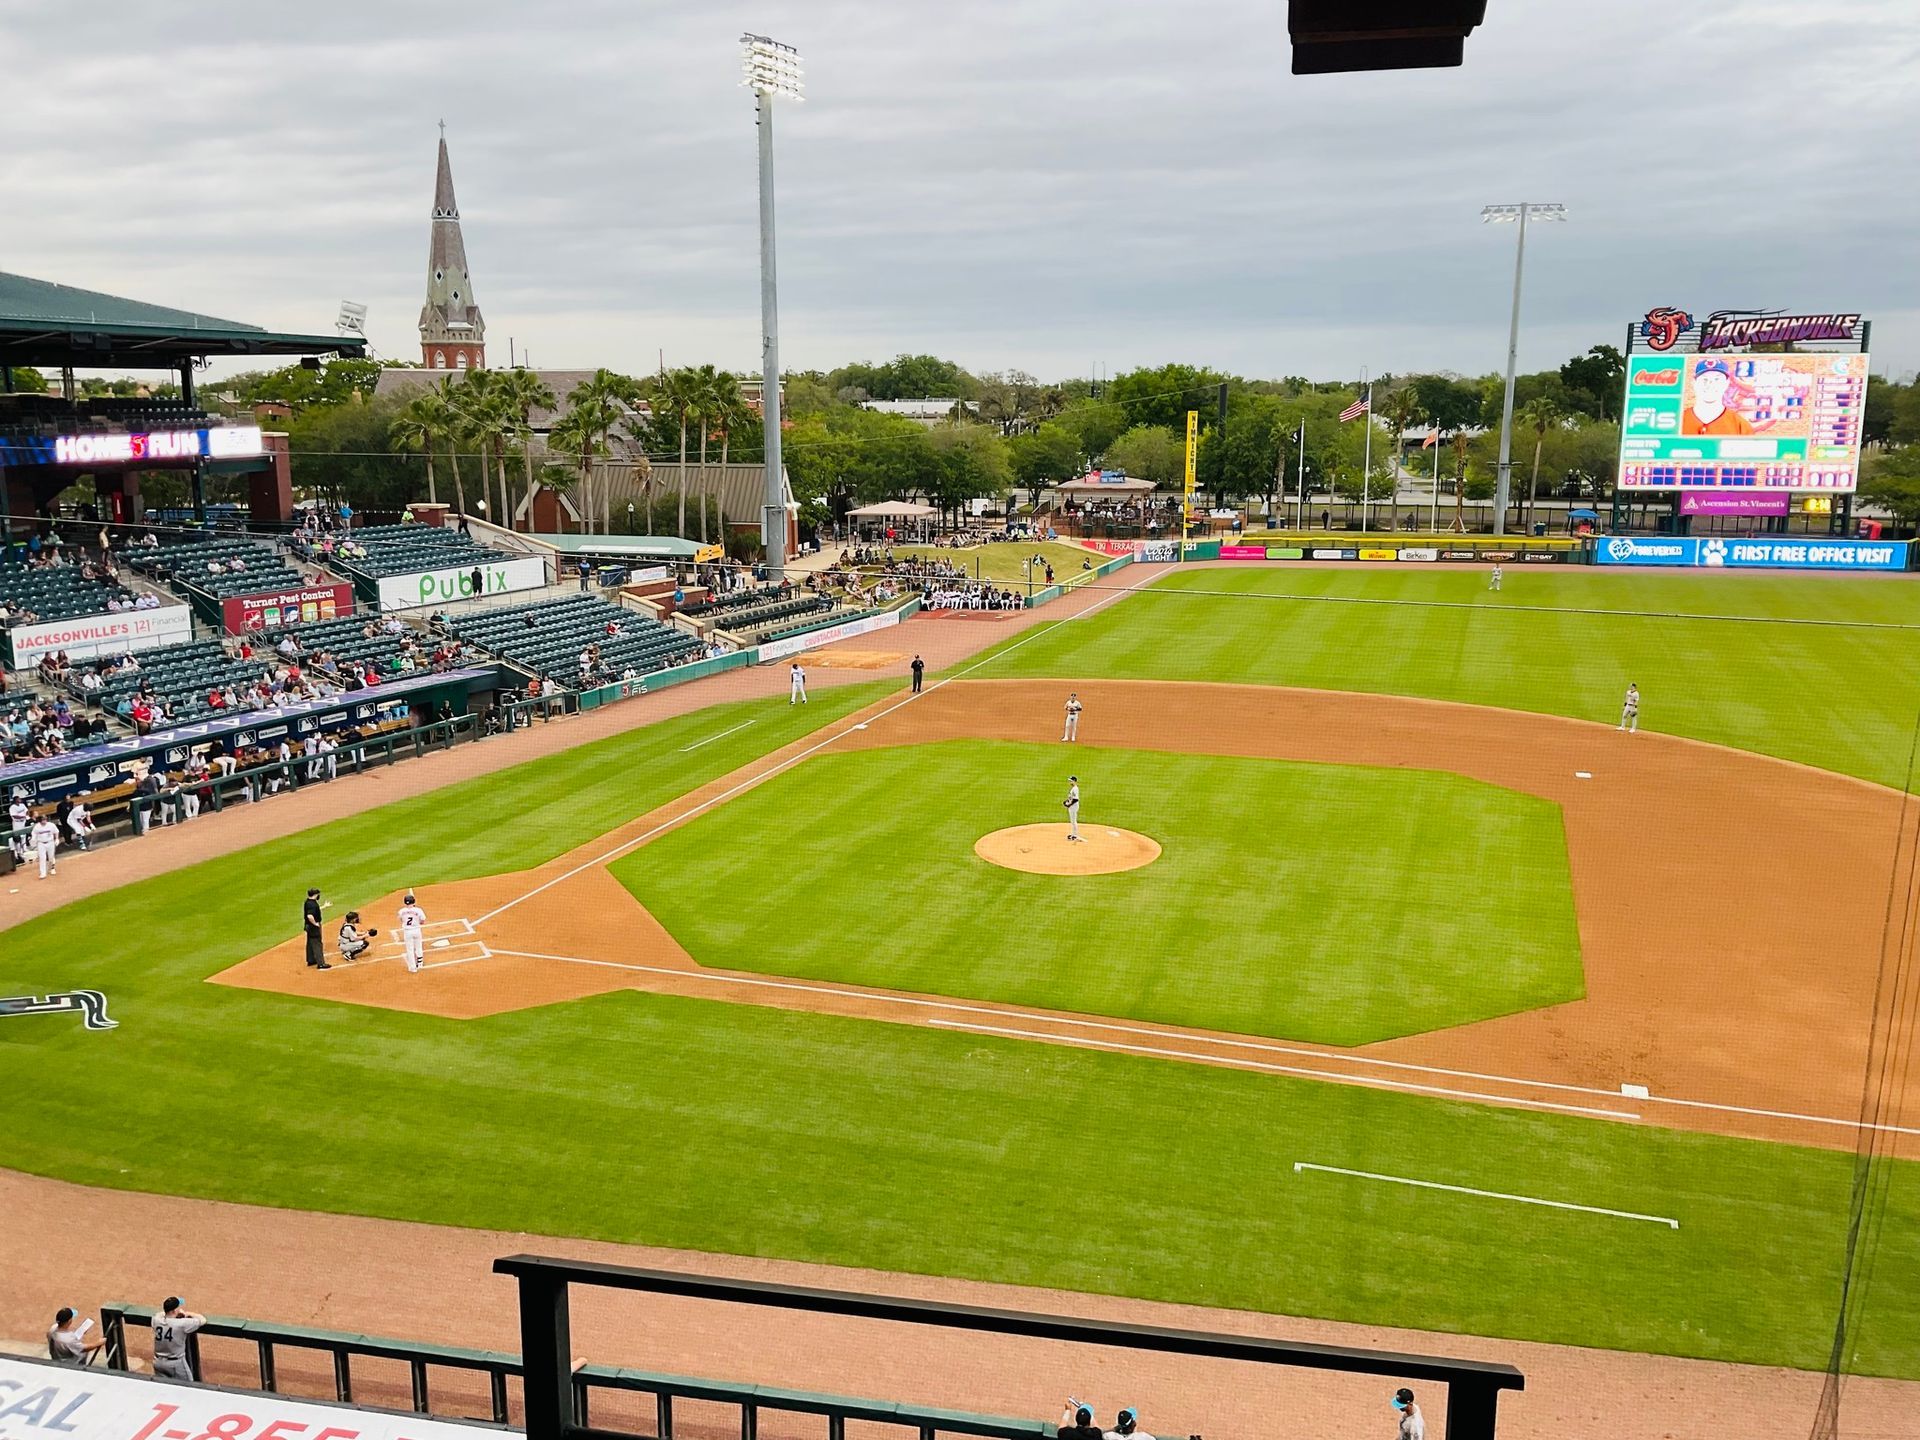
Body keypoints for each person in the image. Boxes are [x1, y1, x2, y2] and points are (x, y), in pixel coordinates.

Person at [1681, 358, 1754, 436]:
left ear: (1727, 383)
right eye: (1704, 379)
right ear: (1694, 383)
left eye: (1717, 379)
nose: (1710, 384)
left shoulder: (1741, 425)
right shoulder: (1678, 421)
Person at [151, 1297, 206, 1381]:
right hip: (176, 1364)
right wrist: (186, 1313)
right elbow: (202, 1320)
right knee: (189, 1387)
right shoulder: (181, 1324)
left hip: (158, 1363)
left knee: (164, 1387)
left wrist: (169, 1312)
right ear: (174, 1311)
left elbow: (159, 1314)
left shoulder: (156, 1320)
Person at [398, 892, 428, 973]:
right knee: (418, 947)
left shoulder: (401, 911)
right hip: (417, 930)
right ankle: (420, 963)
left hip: (407, 931)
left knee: (410, 949)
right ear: (414, 902)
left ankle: (412, 967)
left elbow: (401, 920)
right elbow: (422, 920)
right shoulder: (418, 910)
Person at [304, 887, 330, 970]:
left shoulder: (308, 902)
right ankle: (321, 963)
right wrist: (315, 924)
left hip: (308, 926)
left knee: (310, 943)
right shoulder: (312, 904)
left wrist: (324, 906)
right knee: (317, 943)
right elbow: (310, 916)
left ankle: (311, 960)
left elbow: (314, 911)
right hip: (313, 927)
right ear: (315, 894)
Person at [31, 814, 60, 879]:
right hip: (41, 843)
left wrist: (57, 839)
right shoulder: (37, 827)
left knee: (51, 857)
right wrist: (33, 839)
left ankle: (52, 868)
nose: (44, 821)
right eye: (43, 820)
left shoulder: (51, 825)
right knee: (42, 858)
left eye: (45, 819)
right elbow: (34, 833)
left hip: (50, 842)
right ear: (40, 821)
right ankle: (43, 873)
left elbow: (56, 831)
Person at [1063, 775, 1082, 842]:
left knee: (1074, 821)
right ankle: (1073, 834)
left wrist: (1069, 805)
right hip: (1072, 806)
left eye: (1071, 781)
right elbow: (1072, 798)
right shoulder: (1073, 788)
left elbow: (1076, 799)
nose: (1070, 782)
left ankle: (1075, 836)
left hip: (1073, 807)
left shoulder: (1075, 789)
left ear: (1074, 781)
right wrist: (1067, 802)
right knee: (1072, 821)